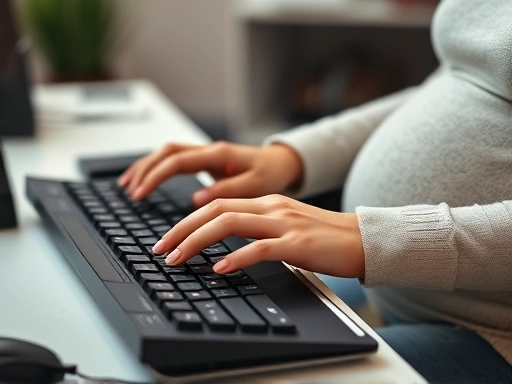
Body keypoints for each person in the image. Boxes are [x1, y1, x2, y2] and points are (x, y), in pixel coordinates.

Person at [118, 0, 512, 382]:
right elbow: (463, 78)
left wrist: (371, 241)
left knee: (228, 372)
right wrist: (296, 156)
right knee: (181, 299)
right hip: (403, 288)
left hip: (491, 334)